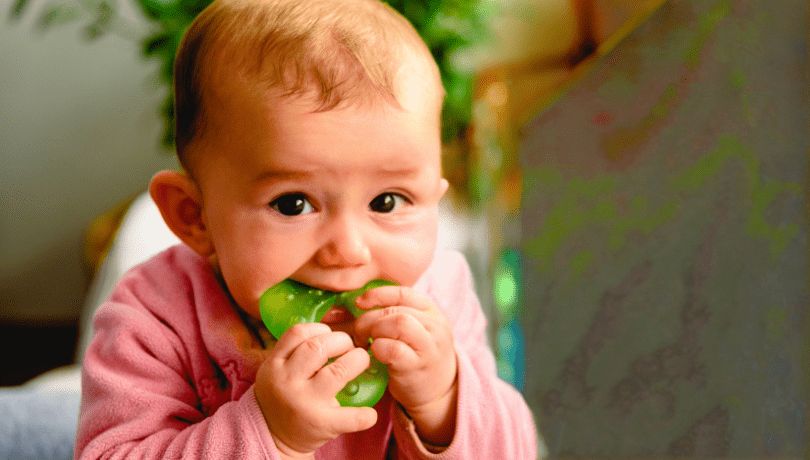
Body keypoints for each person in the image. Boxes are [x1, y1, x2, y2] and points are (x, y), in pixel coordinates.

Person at [74, 0, 537, 458]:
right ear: (195, 216)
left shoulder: (439, 296)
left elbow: (517, 450)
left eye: (388, 201)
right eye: (293, 204)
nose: (348, 250)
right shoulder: (154, 316)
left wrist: (443, 402)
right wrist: (267, 432)